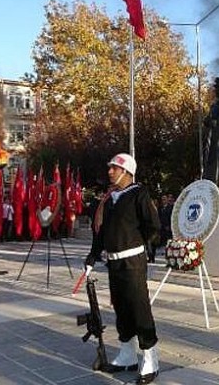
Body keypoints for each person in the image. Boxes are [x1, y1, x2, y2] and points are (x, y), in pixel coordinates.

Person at [85, 153, 161, 385]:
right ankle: (127, 354)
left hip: (132, 261)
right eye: (110, 168)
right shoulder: (108, 199)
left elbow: (153, 226)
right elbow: (100, 233)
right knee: (121, 307)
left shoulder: (139, 194)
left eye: (114, 169)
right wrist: (92, 256)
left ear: (127, 172)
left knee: (139, 308)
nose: (110, 172)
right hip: (113, 263)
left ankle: (150, 358)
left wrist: (143, 245)